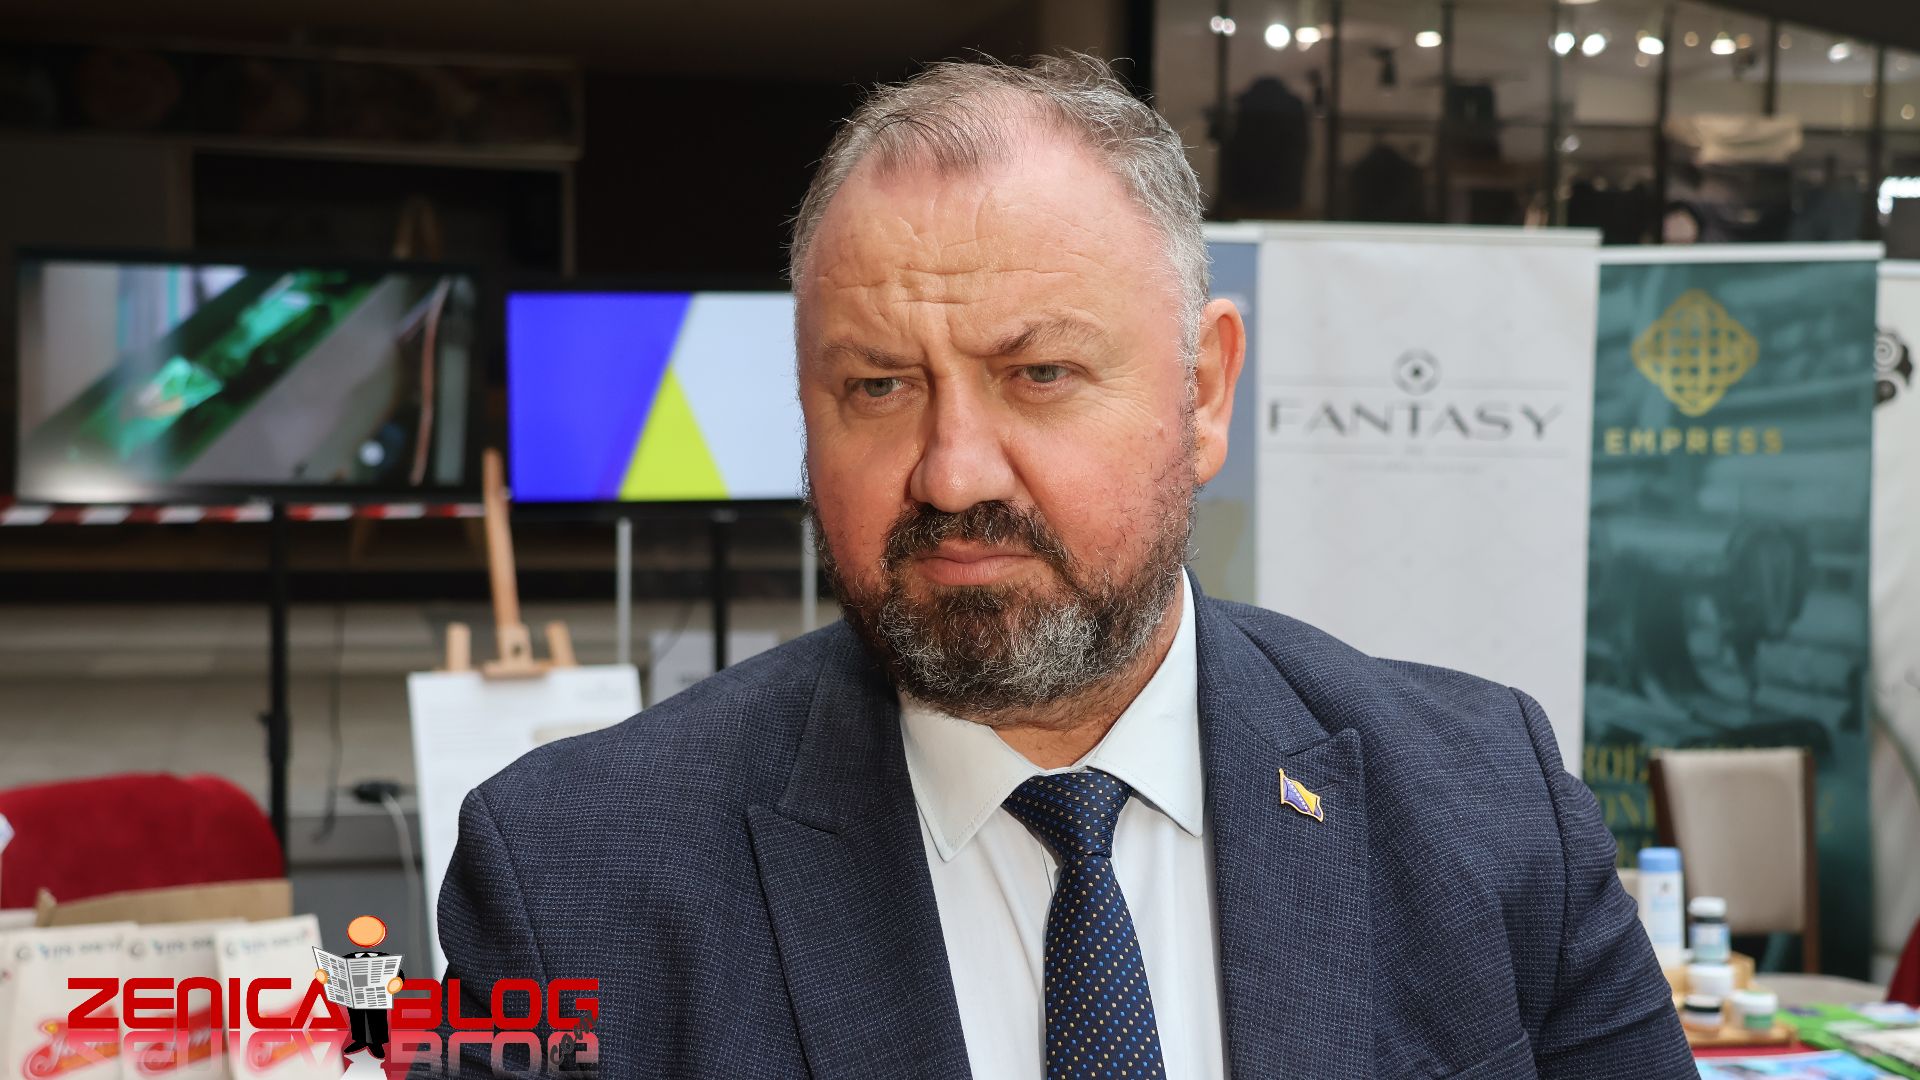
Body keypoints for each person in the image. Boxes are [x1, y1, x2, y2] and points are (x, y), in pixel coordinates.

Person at [436, 54, 1693, 1078]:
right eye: (878, 387)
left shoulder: (1492, 806)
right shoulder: (562, 880)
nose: (953, 474)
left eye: (1038, 374)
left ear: (1204, 392)